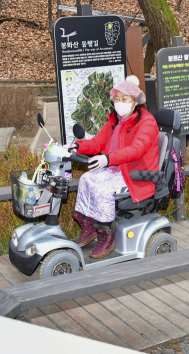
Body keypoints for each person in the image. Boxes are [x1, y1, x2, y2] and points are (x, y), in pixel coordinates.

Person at [69, 75, 160, 259]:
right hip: (116, 170)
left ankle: (106, 236)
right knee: (86, 178)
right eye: (116, 98)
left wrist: (107, 159)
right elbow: (97, 142)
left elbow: (136, 149)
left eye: (124, 99)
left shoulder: (147, 122)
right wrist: (78, 145)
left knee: (102, 190)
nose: (119, 102)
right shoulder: (115, 121)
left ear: (135, 102)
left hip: (136, 174)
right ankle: (89, 228)